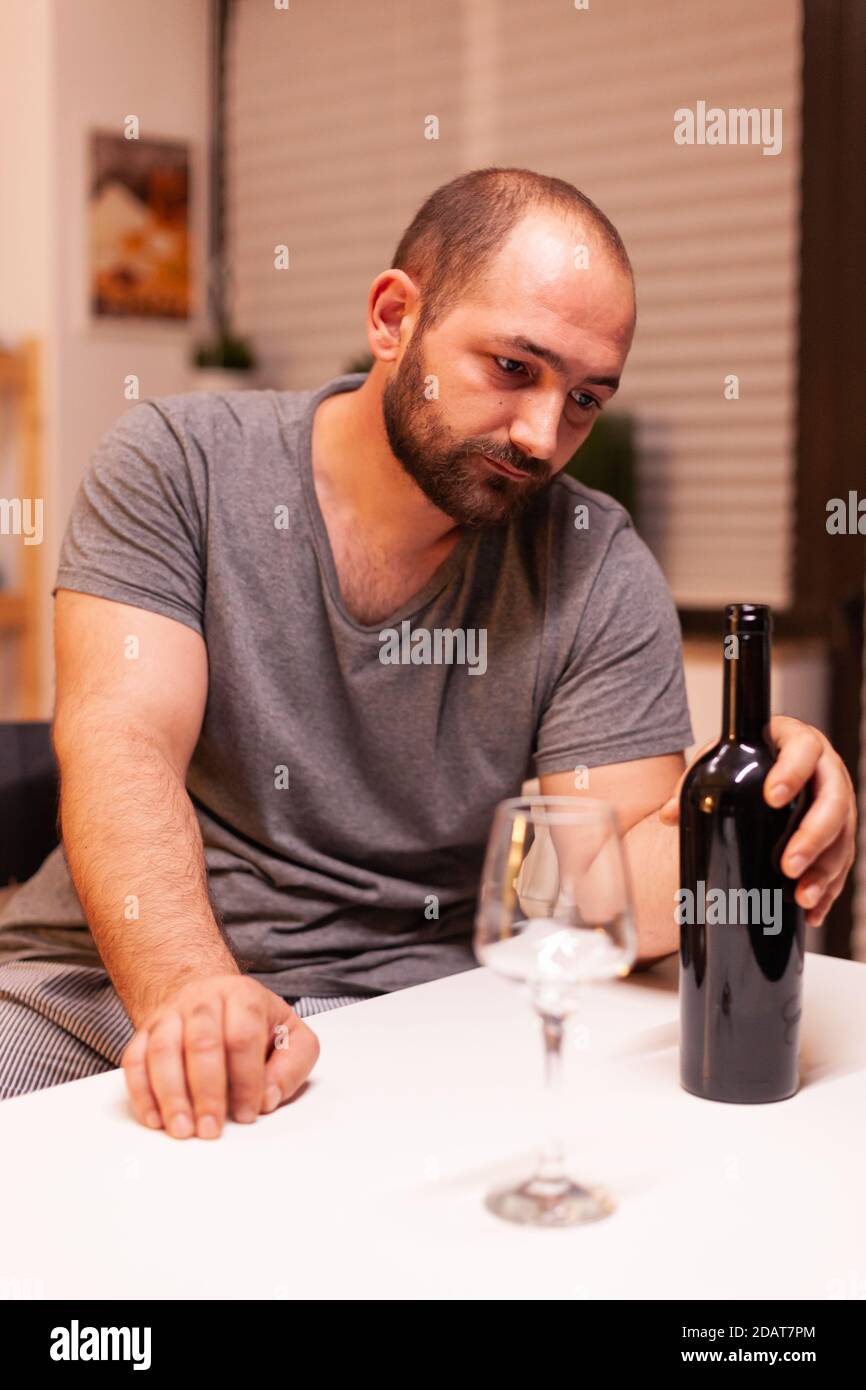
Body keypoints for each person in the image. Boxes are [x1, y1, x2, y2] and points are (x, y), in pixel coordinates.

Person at [0, 167, 856, 1137]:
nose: (541, 436)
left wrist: (767, 800)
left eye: (583, 400)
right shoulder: (175, 465)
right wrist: (193, 997)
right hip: (116, 981)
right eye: (511, 368)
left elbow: (598, 889)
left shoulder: (592, 561)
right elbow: (122, 744)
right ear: (391, 316)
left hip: (413, 1020)